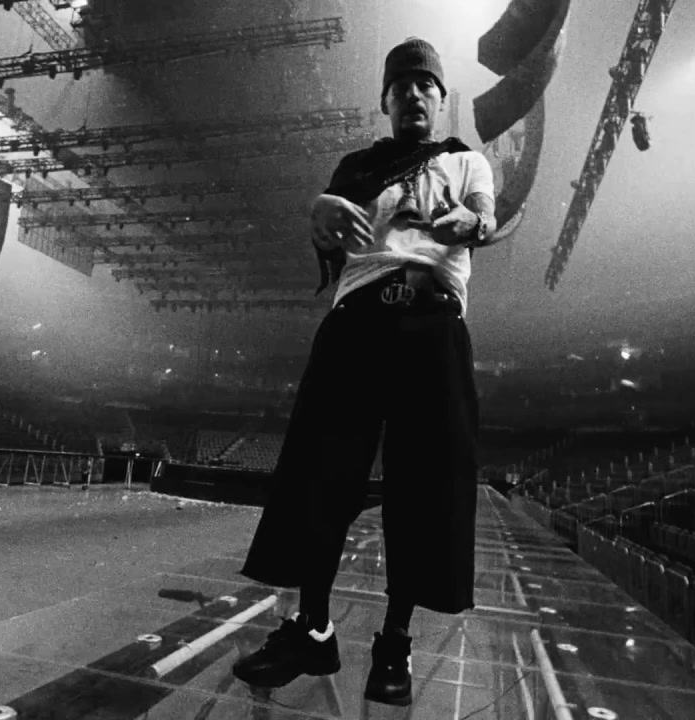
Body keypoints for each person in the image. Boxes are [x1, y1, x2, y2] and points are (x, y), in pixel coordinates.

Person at [233, 38, 497, 706]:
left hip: (433, 322)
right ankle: (313, 630)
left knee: (423, 486)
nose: (413, 94)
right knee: (320, 475)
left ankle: (395, 641)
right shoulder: (356, 166)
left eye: (425, 84)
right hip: (356, 321)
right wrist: (316, 214)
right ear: (385, 100)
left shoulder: (467, 160)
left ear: (441, 97)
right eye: (400, 86)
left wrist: (472, 222)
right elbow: (328, 233)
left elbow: (485, 220)